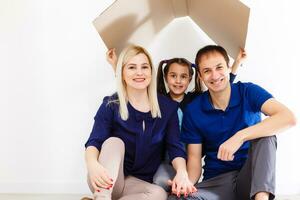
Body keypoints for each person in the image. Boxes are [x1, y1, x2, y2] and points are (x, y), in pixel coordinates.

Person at [168, 45, 296, 200]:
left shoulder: (248, 91)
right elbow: (194, 159)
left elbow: (288, 117)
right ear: (200, 77)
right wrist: (186, 182)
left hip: (251, 179)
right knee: (177, 198)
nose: (215, 76)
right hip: (216, 182)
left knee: (266, 137)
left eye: (219, 67)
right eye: (207, 71)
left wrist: (239, 137)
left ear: (229, 68)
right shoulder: (193, 110)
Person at [84, 45, 196, 200]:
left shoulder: (167, 108)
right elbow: (94, 142)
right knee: (114, 142)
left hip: (136, 184)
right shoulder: (110, 105)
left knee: (159, 194)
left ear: (151, 72)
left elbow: (175, 148)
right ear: (121, 73)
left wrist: (182, 173)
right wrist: (92, 165)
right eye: (131, 67)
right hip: (105, 179)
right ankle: (102, 197)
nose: (139, 72)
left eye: (144, 67)